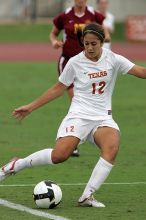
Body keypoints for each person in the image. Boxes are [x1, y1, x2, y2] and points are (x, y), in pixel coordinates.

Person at [1, 23, 146, 208]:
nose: (90, 48)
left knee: (112, 147)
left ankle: (87, 196)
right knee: (60, 156)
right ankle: (16, 165)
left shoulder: (113, 59)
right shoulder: (75, 62)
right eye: (86, 43)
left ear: (102, 42)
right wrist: (31, 107)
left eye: (94, 43)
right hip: (78, 116)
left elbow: (141, 71)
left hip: (102, 118)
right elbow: (58, 89)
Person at [50, 0, 110, 156]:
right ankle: (72, 141)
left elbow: (104, 32)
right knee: (75, 99)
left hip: (87, 66)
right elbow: (53, 32)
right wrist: (54, 42)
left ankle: (77, 136)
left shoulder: (94, 15)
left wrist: (105, 37)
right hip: (68, 61)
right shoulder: (65, 16)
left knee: (83, 100)